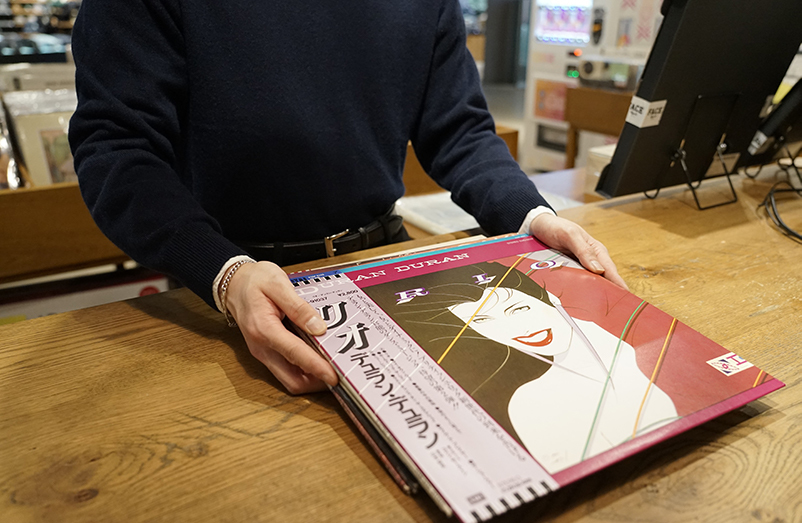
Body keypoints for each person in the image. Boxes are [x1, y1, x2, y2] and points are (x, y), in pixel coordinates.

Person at [68, 0, 627, 395]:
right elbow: (117, 148)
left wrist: (528, 214)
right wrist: (221, 272)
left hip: (382, 260)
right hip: (232, 278)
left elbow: (460, 129)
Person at [363, 259, 677, 473]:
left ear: (549, 297)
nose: (519, 328)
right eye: (481, 321)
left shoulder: (620, 344)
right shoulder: (529, 402)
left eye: (519, 308)